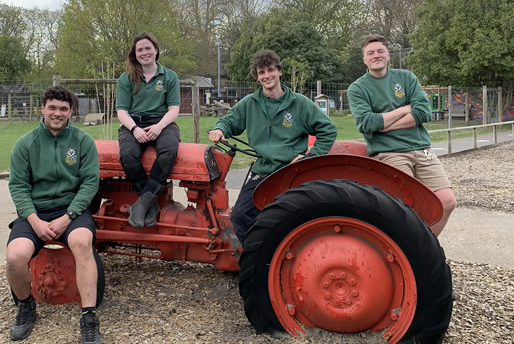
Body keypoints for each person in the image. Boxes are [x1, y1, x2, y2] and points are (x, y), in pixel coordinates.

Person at [6, 86, 102, 344]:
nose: (57, 113)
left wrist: (68, 216)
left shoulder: (83, 141)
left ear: (71, 112)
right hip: (34, 212)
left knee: (83, 243)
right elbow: (19, 186)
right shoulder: (26, 144)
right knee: (15, 256)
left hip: (72, 211)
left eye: (63, 109)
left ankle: (89, 318)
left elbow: (89, 183)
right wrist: (34, 220)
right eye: (52, 108)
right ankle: (26, 306)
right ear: (43, 109)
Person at [208, 49, 337, 245]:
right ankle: (258, 259)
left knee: (290, 218)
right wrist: (219, 129)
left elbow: (328, 130)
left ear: (279, 71)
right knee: (241, 216)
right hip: (263, 170)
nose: (266, 75)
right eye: (261, 72)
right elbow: (228, 121)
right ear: (257, 77)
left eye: (270, 70)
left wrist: (310, 157)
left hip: (291, 170)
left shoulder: (299, 103)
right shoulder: (249, 103)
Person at [347, 34, 457, 236]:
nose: (376, 55)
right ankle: (409, 252)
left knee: (447, 201)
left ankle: (424, 248)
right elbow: (367, 123)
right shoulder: (358, 88)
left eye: (380, 51)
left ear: (388, 54)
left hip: (421, 149)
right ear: (364, 59)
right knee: (406, 208)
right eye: (370, 53)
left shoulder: (406, 78)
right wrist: (404, 109)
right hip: (390, 153)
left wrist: (386, 125)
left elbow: (424, 112)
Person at [116, 32, 180, 229]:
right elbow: (121, 111)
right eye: (139, 50)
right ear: (134, 54)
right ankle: (148, 203)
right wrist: (135, 129)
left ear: (156, 50)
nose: (144, 52)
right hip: (133, 123)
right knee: (128, 155)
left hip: (162, 122)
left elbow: (174, 109)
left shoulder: (169, 76)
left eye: (147, 48)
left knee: (169, 150)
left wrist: (160, 126)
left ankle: (142, 203)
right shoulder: (127, 79)